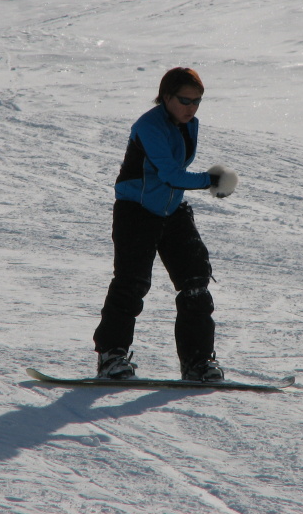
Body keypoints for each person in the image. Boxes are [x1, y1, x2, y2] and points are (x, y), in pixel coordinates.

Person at [93, 67, 238, 381]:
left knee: (196, 281)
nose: (192, 108)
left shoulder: (188, 124)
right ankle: (111, 356)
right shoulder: (149, 126)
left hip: (171, 211)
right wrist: (212, 181)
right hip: (136, 211)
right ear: (166, 97)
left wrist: (207, 183)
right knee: (131, 283)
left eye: (197, 101)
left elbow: (174, 177)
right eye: (185, 100)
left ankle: (198, 363)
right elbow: (170, 173)